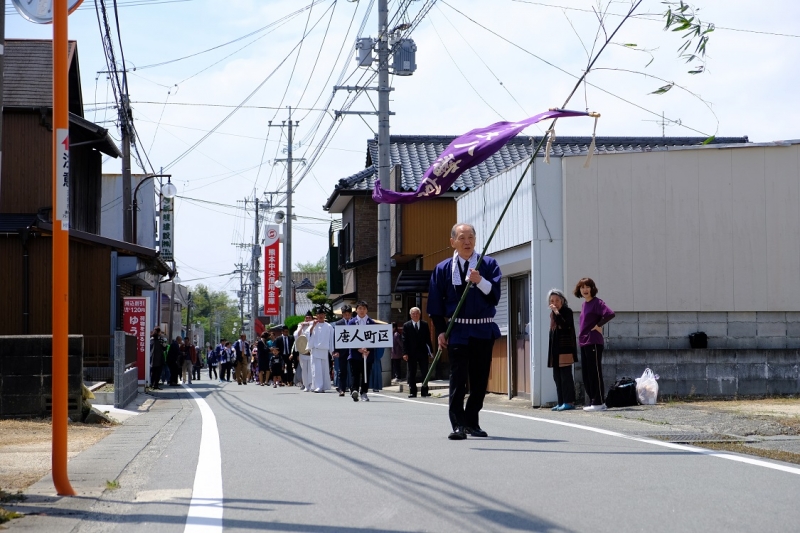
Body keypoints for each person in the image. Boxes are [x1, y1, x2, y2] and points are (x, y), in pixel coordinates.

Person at [428, 223, 501, 440]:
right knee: (458, 379)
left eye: (471, 237)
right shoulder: (443, 268)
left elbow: (495, 296)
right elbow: (435, 305)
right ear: (452, 242)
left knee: (479, 379)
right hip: (458, 330)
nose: (467, 242)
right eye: (462, 238)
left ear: (476, 240)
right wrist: (441, 331)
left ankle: (472, 422)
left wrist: (480, 281)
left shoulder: (488, 264)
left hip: (483, 329)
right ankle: (458, 425)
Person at [574, 277, 615, 411]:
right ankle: (594, 401)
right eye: (582, 287)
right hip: (584, 342)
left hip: (594, 342)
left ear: (592, 289)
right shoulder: (584, 304)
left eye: (587, 287)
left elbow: (610, 314)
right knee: (586, 374)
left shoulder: (597, 302)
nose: (585, 289)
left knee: (594, 373)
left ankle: (599, 402)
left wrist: (598, 325)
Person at [547, 289, 578, 411]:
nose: (554, 303)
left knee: (566, 376)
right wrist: (554, 313)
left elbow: (565, 326)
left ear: (562, 301)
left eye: (557, 300)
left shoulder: (567, 311)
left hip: (565, 348)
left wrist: (556, 312)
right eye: (552, 301)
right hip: (555, 350)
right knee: (557, 377)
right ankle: (560, 402)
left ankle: (569, 402)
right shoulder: (552, 315)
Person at [348, 300, 377, 402]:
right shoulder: (352, 322)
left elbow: (375, 339)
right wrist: (358, 349)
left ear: (367, 310)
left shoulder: (372, 323)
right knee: (355, 373)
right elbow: (349, 338)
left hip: (367, 354)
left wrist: (368, 350)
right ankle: (354, 390)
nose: (362, 310)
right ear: (356, 310)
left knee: (366, 374)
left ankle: (364, 392)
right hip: (355, 353)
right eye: (360, 308)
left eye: (364, 308)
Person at [403, 307, 433, 398]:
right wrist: (405, 353)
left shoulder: (424, 324)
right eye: (413, 314)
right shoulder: (406, 325)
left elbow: (428, 338)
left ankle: (425, 391)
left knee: (425, 371)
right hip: (411, 353)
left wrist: (431, 351)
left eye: (417, 313)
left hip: (422, 352)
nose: (415, 315)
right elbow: (404, 340)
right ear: (410, 315)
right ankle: (413, 391)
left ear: (420, 315)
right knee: (412, 372)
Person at [308, 307, 335, 393]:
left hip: (324, 350)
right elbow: (308, 334)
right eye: (319, 314)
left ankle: (323, 386)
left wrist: (332, 351)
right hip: (315, 350)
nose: (320, 316)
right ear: (316, 315)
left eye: (322, 314)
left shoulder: (329, 326)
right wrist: (313, 326)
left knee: (324, 369)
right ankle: (317, 386)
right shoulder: (313, 324)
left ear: (324, 315)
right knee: (316, 369)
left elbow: (331, 339)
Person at [332, 304, 353, 396]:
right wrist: (336, 351)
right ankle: (342, 389)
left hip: (353, 350)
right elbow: (335, 337)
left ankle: (353, 389)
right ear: (342, 314)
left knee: (353, 371)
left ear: (351, 314)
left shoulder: (355, 322)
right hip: (342, 350)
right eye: (345, 314)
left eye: (349, 314)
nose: (347, 316)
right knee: (342, 371)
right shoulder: (338, 323)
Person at [295, 311, 314, 391]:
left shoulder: (314, 324)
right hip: (303, 349)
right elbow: (296, 335)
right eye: (306, 318)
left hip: (311, 350)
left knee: (311, 369)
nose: (308, 319)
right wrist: (302, 327)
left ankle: (311, 384)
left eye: (309, 317)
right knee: (304, 369)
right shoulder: (300, 325)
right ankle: (306, 385)